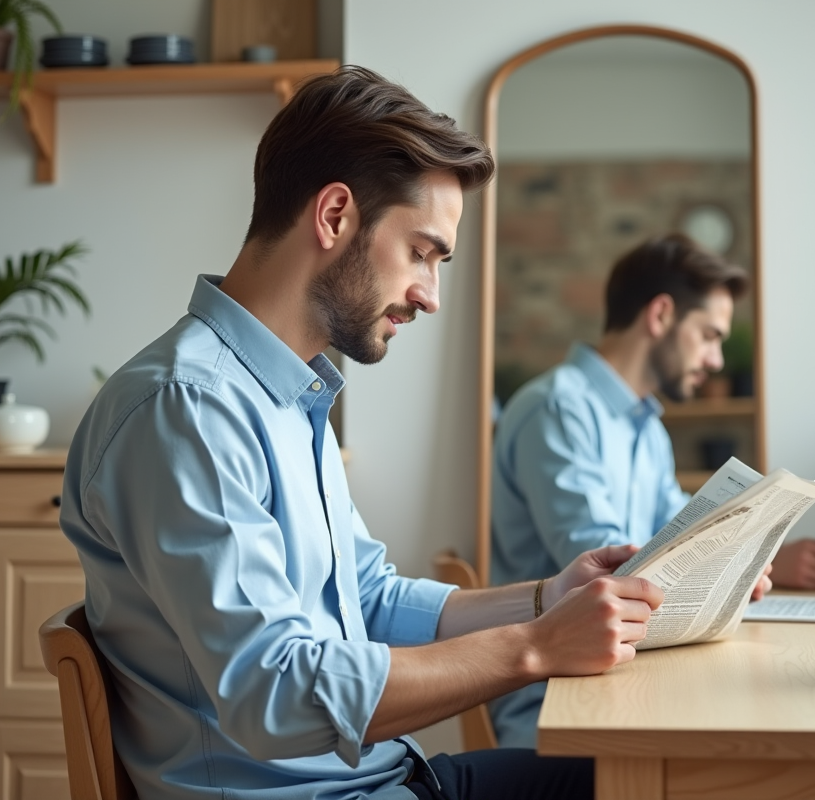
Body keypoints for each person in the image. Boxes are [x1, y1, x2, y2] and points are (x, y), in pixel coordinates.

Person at [58, 67, 718, 800]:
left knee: (665, 778)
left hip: (387, 778)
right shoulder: (186, 409)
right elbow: (273, 690)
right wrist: (532, 649)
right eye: (423, 253)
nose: (431, 297)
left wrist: (545, 599)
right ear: (336, 215)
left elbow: (366, 600)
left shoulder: (283, 397)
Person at [488, 233, 815, 748]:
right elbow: (604, 567)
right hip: (552, 694)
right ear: (660, 316)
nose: (718, 359)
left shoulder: (648, 429)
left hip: (627, 667)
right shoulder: (557, 409)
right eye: (709, 335)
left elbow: (682, 531)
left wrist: (746, 558)